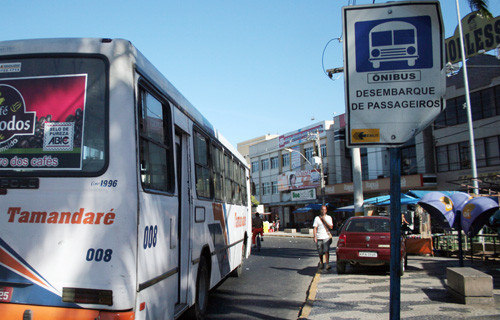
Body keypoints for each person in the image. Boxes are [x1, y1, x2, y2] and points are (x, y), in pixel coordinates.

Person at [313, 205, 334, 270]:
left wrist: (324, 220)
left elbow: (331, 227)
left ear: (326, 210)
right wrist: (314, 237)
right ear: (320, 210)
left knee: (326, 250)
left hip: (326, 237)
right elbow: (315, 228)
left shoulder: (329, 217)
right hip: (319, 237)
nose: (323, 211)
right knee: (320, 251)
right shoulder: (317, 218)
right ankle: (321, 263)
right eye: (322, 209)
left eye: (325, 209)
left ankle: (327, 264)